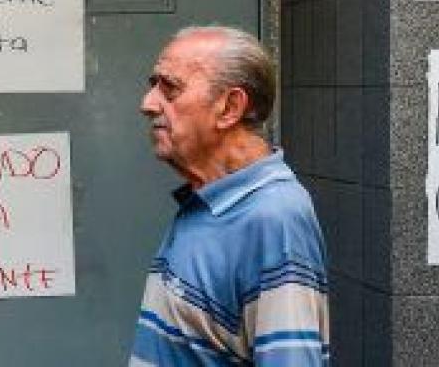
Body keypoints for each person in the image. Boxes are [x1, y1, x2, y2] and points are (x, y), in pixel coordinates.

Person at [129, 26, 329, 366]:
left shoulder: (275, 217)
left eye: (170, 88)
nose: (147, 104)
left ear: (230, 107)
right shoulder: (208, 200)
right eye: (153, 86)